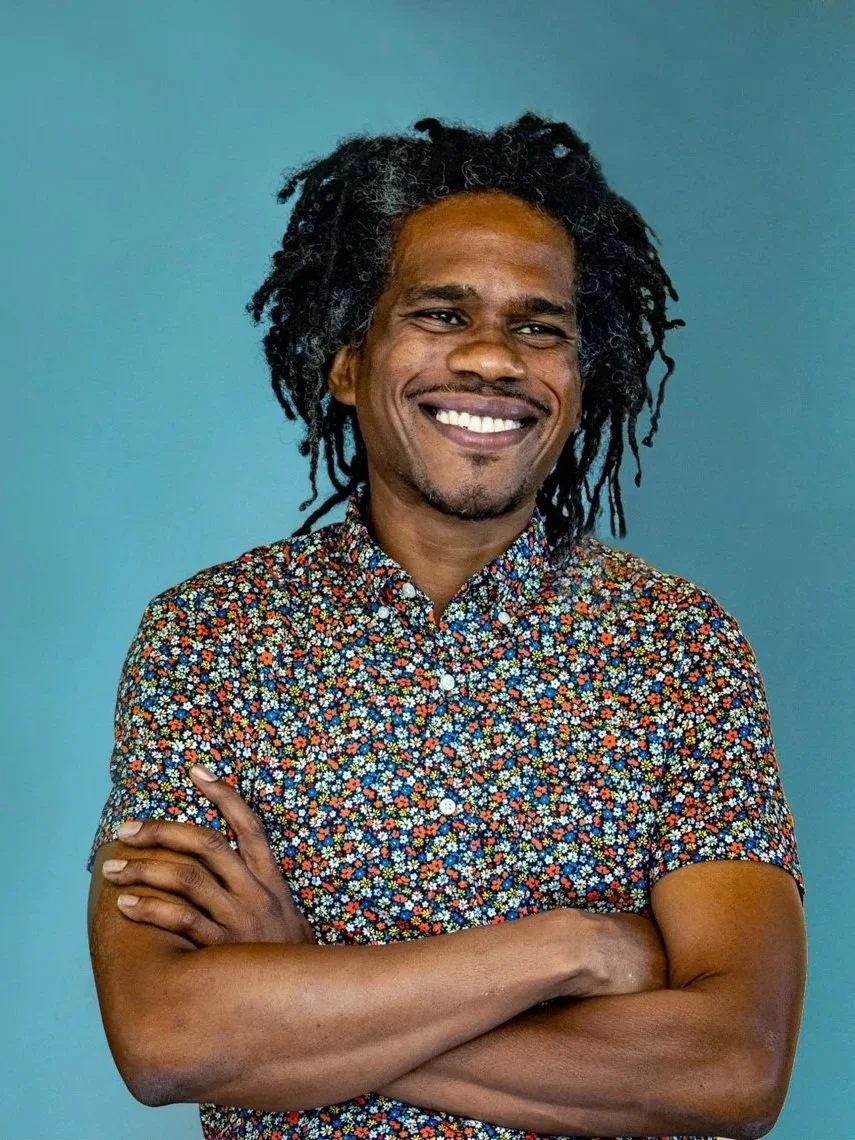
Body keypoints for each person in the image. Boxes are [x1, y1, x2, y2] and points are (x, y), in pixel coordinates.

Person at [86, 113, 807, 1140]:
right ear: (346, 363)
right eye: (440, 313)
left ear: (582, 383)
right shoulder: (210, 636)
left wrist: (300, 997)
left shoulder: (680, 646)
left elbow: (734, 1067)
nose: (491, 359)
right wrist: (566, 950)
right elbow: (166, 1039)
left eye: (539, 327)